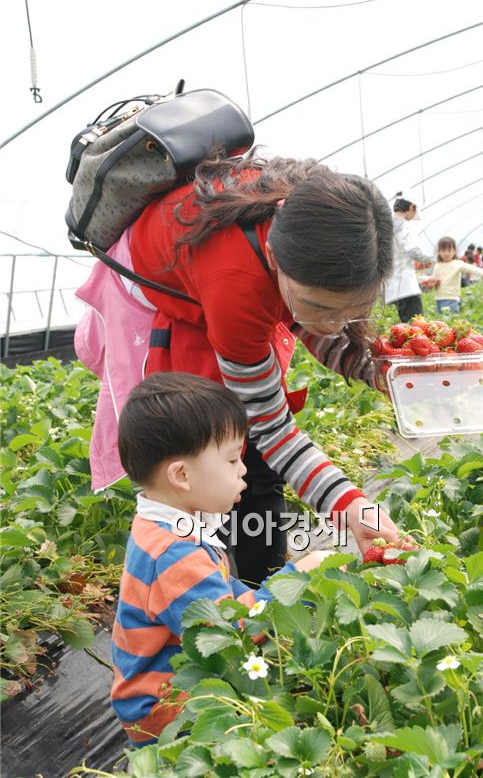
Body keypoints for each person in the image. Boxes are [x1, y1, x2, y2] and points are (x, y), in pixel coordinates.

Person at [76, 150, 414, 589]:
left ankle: (263, 589)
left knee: (252, 472)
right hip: (169, 304)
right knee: (202, 457)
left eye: (351, 312)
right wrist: (348, 504)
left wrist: (379, 371)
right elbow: (270, 427)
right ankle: (211, 595)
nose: (333, 326)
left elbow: (312, 319)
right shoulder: (237, 281)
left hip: (226, 285)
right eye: (319, 307)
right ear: (275, 258)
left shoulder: (321, 225)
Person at [111, 371, 337, 747]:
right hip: (168, 712)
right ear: (181, 475)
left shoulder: (173, 523)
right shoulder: (172, 554)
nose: (244, 470)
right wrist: (299, 580)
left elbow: (223, 590)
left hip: (179, 681)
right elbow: (230, 633)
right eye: (233, 460)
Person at [384, 193, 434, 322]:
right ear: (411, 207)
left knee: (403, 327)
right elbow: (413, 250)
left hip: (392, 286)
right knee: (416, 326)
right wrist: (429, 259)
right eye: (414, 210)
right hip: (406, 285)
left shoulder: (386, 226)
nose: (413, 215)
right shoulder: (404, 226)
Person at [431, 236, 483, 314]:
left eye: (449, 250)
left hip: (451, 299)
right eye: (443, 250)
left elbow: (470, 267)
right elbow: (434, 280)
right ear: (439, 251)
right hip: (438, 299)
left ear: (454, 251)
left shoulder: (457, 264)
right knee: (439, 324)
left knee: (450, 322)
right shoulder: (437, 266)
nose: (446, 253)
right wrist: (430, 284)